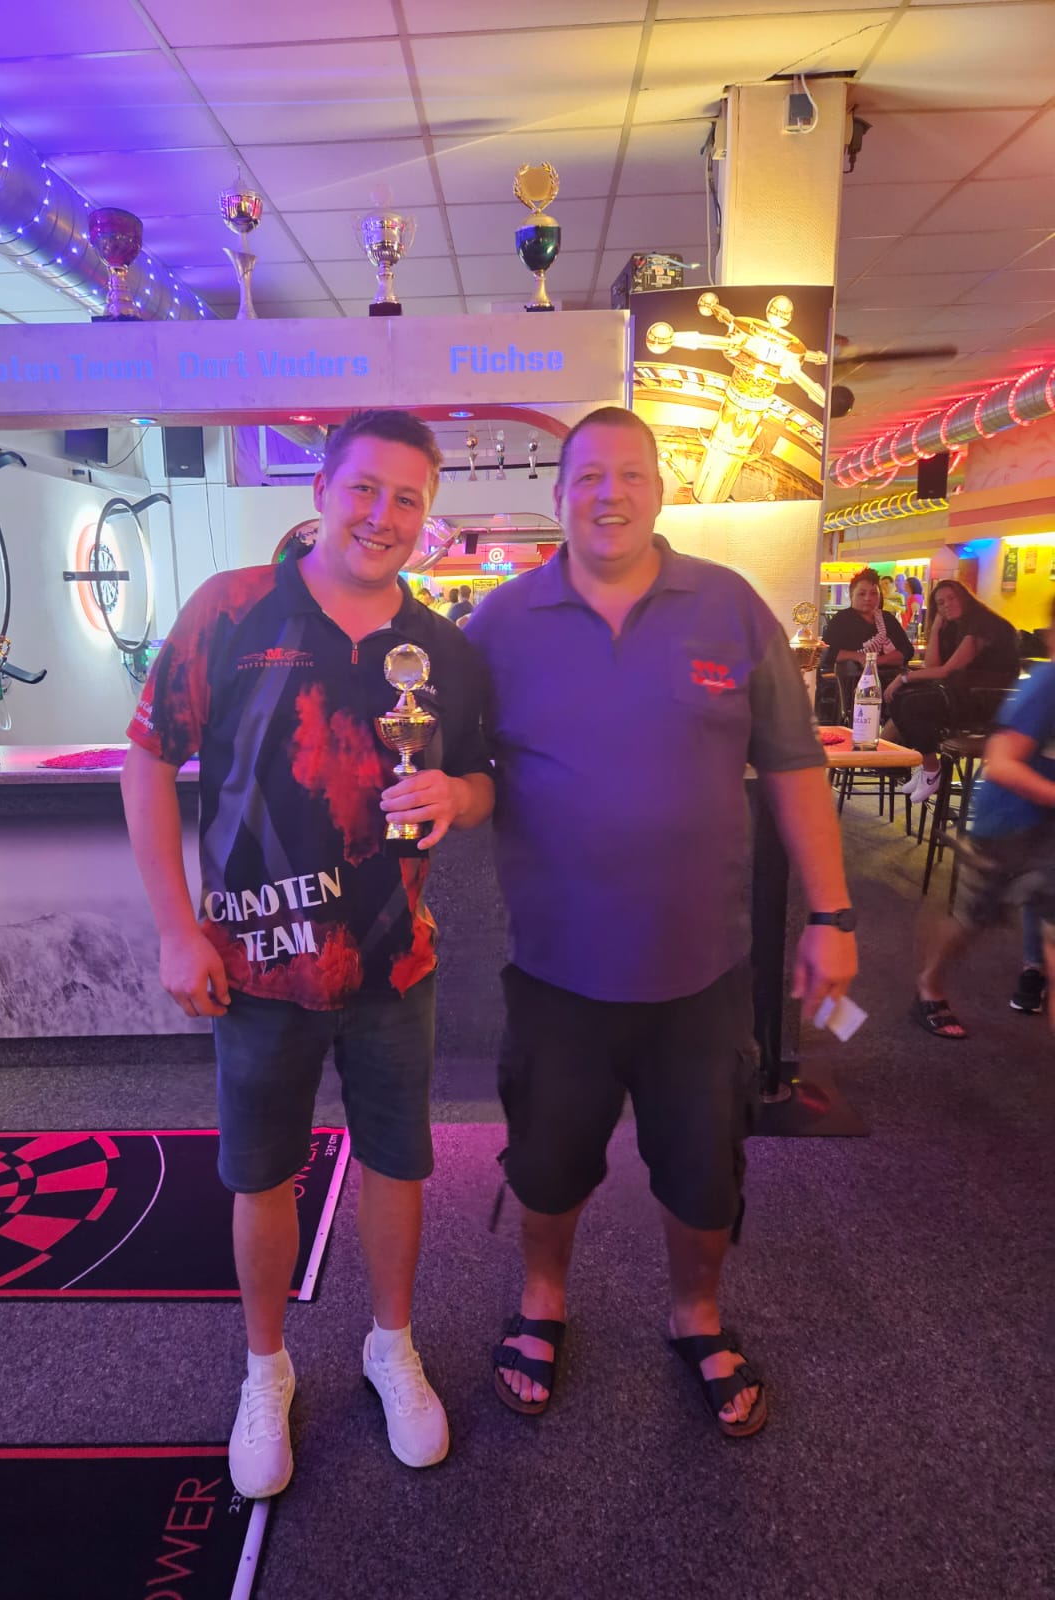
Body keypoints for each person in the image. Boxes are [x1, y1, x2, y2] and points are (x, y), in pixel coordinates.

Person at [121, 409, 494, 1498]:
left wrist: (459, 794)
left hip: (394, 963)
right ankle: (266, 1367)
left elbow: (483, 781)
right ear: (323, 491)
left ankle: (391, 1345)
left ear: (428, 516)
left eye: (407, 498)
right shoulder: (231, 610)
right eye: (364, 488)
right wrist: (175, 926)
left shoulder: (443, 649)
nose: (383, 515)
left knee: (398, 1161)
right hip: (256, 964)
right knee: (261, 1172)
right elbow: (147, 761)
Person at [464, 406, 857, 1438]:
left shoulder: (730, 607)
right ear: (560, 495)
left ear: (660, 489)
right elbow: (455, 767)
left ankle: (697, 1314)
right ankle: (542, 1301)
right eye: (589, 476)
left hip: (702, 972)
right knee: (547, 1161)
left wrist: (833, 912)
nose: (611, 494)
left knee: (704, 1168)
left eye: (631, 474)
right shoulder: (498, 625)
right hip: (557, 972)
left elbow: (794, 766)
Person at [913, 597, 1055, 1039]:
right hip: (1008, 824)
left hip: (1048, 830)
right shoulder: (1047, 683)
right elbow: (1002, 762)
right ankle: (929, 983)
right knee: (972, 920)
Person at [884, 580, 1019, 805]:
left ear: (965, 597)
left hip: (991, 703)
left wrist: (903, 677)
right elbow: (932, 667)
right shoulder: (957, 626)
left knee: (910, 703)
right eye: (940, 603)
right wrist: (936, 628)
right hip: (968, 696)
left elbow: (946, 671)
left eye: (952, 598)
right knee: (901, 697)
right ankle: (927, 768)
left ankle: (931, 769)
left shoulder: (983, 624)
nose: (946, 605)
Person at [820, 566, 911, 718]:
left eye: (873, 593)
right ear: (852, 595)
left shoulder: (887, 619)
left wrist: (876, 660)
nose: (868, 598)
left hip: (893, 683)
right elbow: (828, 652)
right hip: (857, 687)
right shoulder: (842, 620)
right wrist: (857, 656)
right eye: (862, 593)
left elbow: (906, 651)